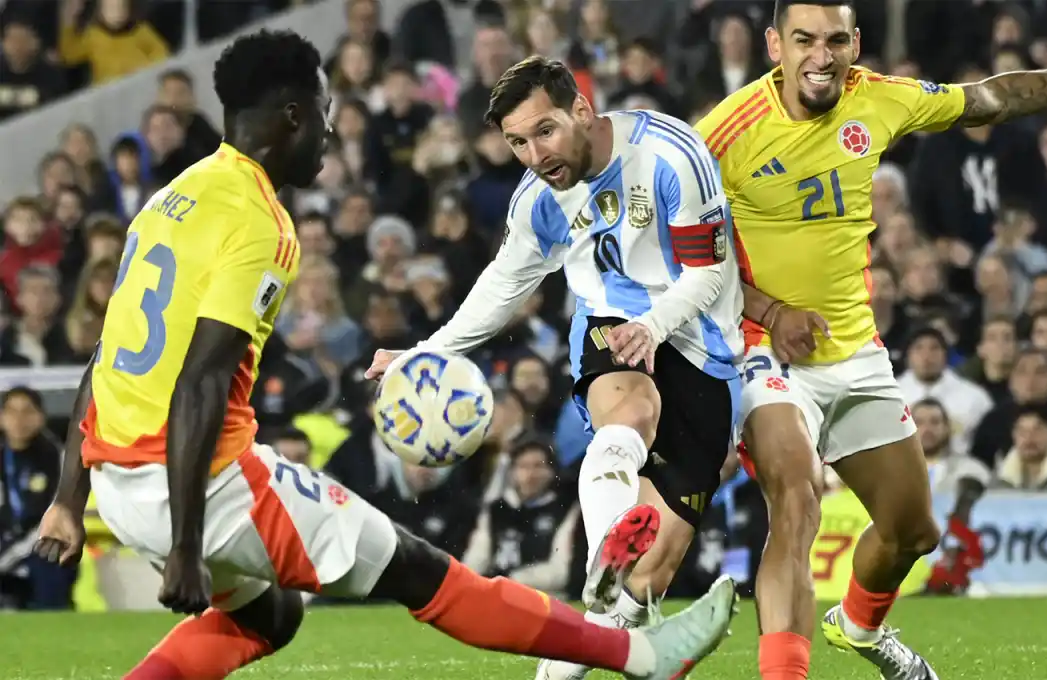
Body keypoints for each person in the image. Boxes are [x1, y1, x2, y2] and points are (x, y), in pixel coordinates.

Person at [30, 31, 735, 680]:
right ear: (294, 113)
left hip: (118, 483)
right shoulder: (260, 226)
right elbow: (201, 385)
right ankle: (639, 654)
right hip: (205, 487)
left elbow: (105, 356)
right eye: (327, 109)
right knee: (425, 573)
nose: (335, 128)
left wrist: (69, 499)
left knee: (270, 615)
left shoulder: (171, 199)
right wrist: (186, 544)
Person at [693, 1, 1047, 678]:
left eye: (836, 40)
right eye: (804, 40)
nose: (822, 56)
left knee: (913, 530)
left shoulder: (879, 98)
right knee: (797, 499)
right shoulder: (722, 134)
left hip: (854, 349)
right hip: (762, 346)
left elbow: (995, 97)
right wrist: (770, 308)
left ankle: (860, 628)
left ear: (855, 42)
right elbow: (685, 253)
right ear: (773, 45)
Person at [366, 55, 744, 680]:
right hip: (608, 318)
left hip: (699, 338)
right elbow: (503, 285)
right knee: (634, 410)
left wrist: (654, 326)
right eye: (517, 142)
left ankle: (601, 599)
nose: (534, 154)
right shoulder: (539, 199)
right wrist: (429, 351)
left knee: (645, 585)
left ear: (581, 111)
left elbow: (705, 273)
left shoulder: (671, 154)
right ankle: (604, 550)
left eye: (544, 131)